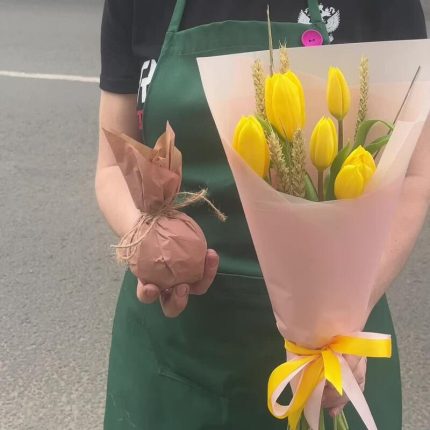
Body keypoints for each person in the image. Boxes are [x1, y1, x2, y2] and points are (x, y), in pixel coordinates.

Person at [95, 1, 429, 429]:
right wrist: (152, 246)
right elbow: (112, 166)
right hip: (171, 355)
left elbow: (414, 175)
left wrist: (341, 318)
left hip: (333, 356)